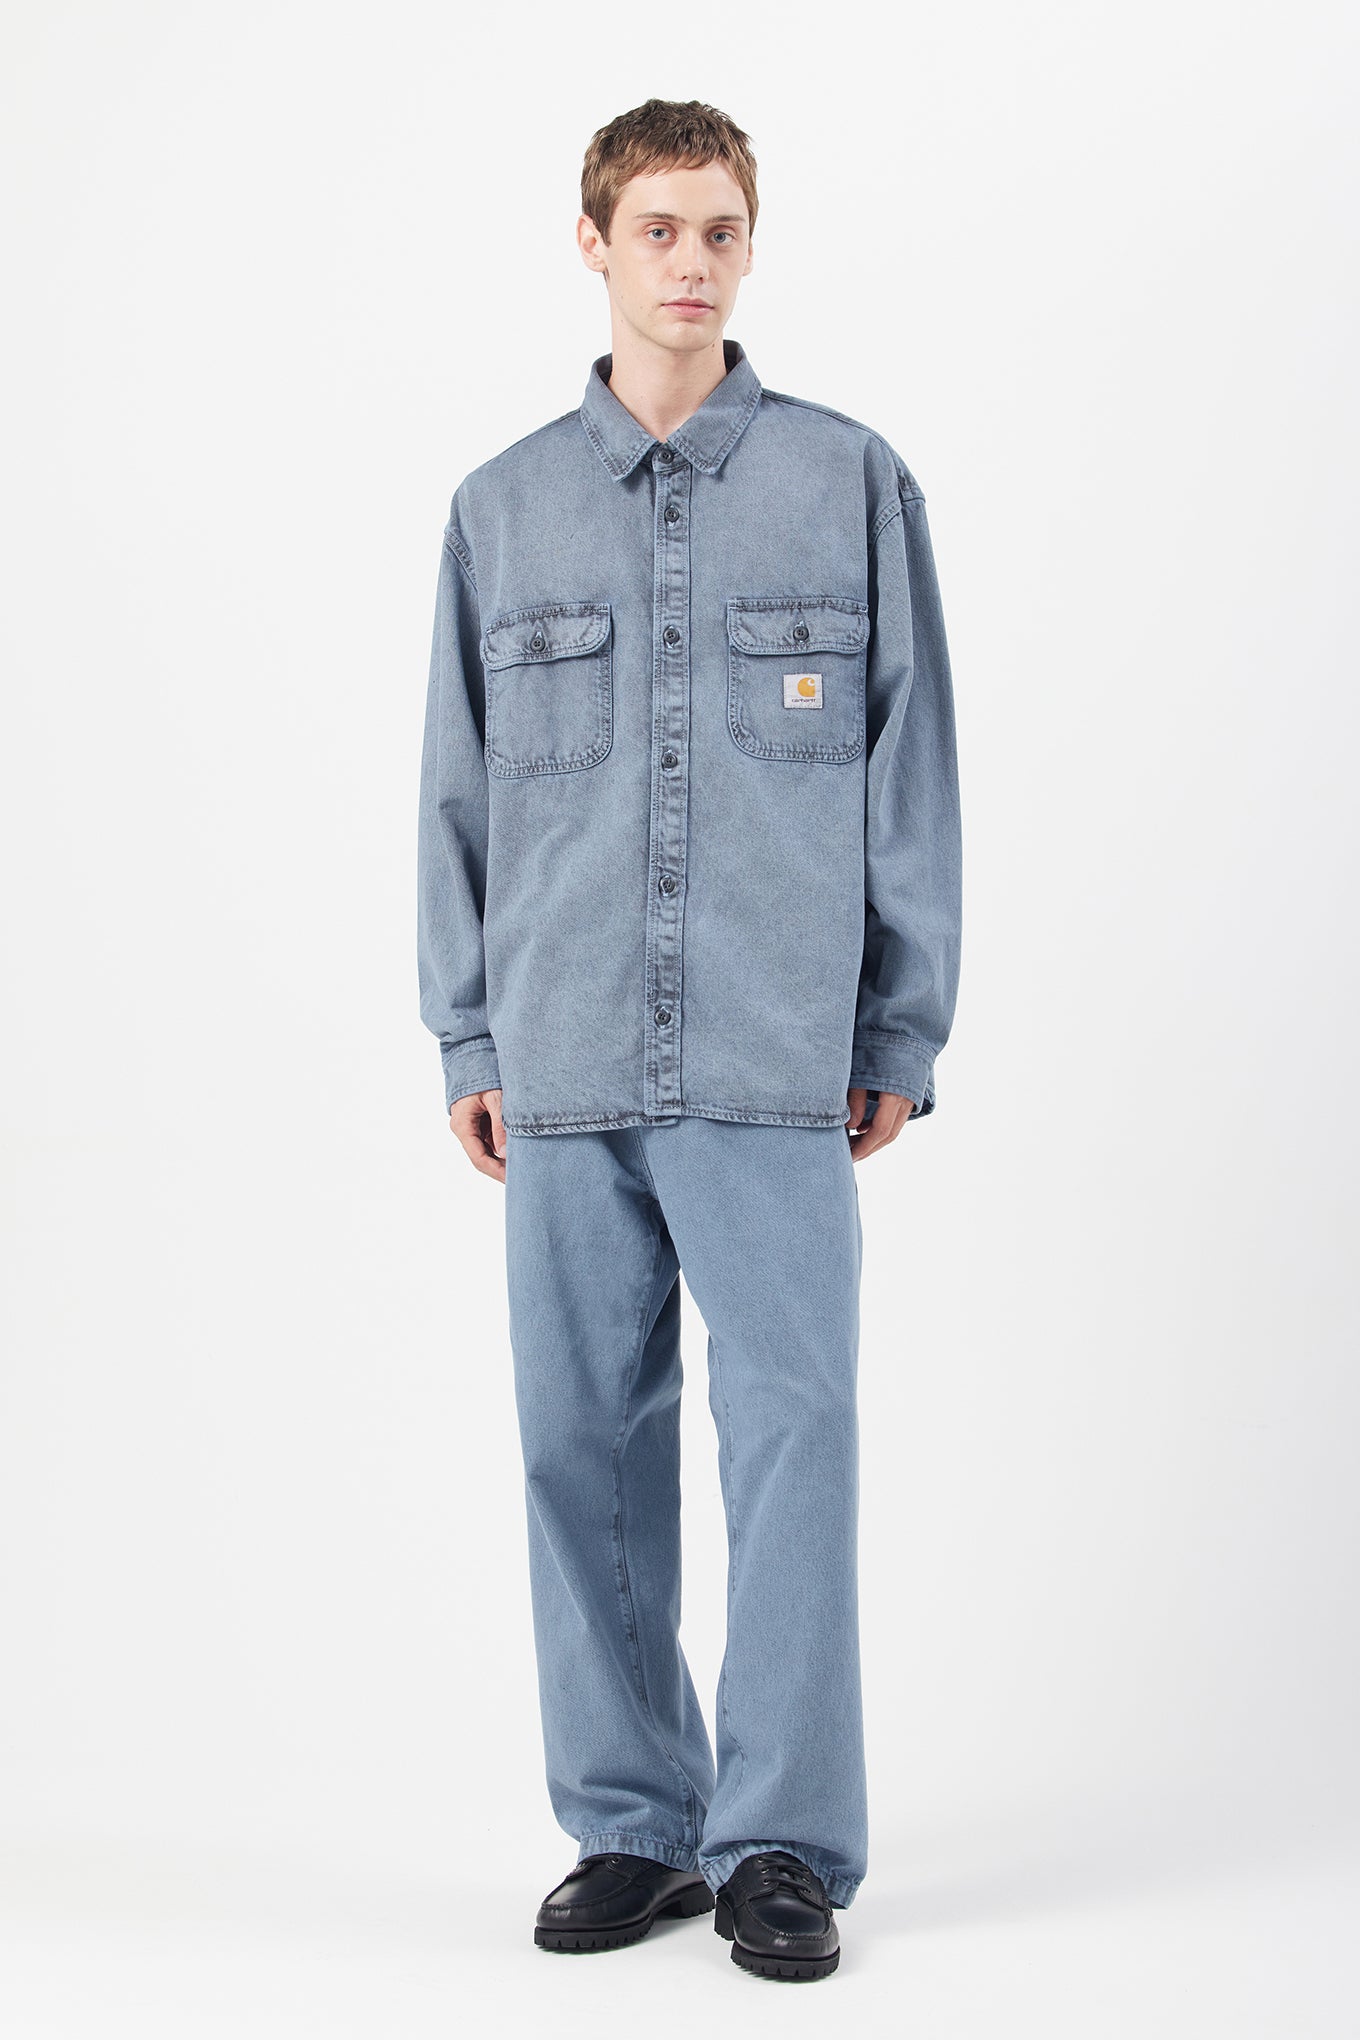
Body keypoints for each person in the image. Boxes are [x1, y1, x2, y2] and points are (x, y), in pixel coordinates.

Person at [417, 95, 963, 1983]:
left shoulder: (849, 481)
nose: (692, 262)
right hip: (563, 1058)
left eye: (720, 229)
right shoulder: (500, 510)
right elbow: (456, 796)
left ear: (750, 242)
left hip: (774, 1051)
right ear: (595, 242)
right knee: (580, 1442)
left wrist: (899, 1016)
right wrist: (467, 1029)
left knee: (796, 1433)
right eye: (657, 228)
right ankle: (632, 1825)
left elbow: (909, 764)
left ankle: (782, 1840)